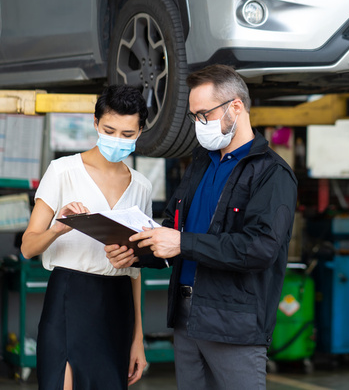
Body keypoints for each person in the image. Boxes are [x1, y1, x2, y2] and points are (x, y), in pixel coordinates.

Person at [106, 64, 298, 389]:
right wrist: (136, 252)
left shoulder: (270, 174)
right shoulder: (200, 164)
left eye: (203, 114)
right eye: (194, 116)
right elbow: (174, 231)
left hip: (232, 325)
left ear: (235, 107)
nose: (198, 124)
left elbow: (259, 248)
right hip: (186, 318)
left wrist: (182, 243)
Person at [22, 85, 150, 390]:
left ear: (140, 132)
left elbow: (135, 270)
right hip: (70, 296)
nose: (117, 139)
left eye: (127, 134)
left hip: (118, 305)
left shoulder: (141, 187)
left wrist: (138, 338)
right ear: (95, 123)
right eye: (109, 129)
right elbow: (28, 246)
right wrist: (57, 228)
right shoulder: (63, 171)